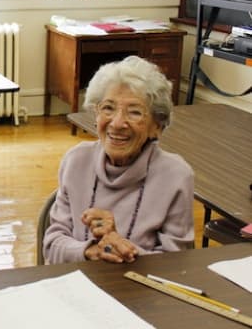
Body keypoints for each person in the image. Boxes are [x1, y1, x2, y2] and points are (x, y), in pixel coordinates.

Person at [43, 55, 194, 265]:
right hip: (75, 289)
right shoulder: (76, 161)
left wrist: (123, 248)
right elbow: (52, 246)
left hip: (140, 295)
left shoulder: (175, 175)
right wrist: (91, 251)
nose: (117, 123)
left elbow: (177, 264)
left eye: (134, 112)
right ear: (96, 115)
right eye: (108, 108)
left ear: (157, 126)